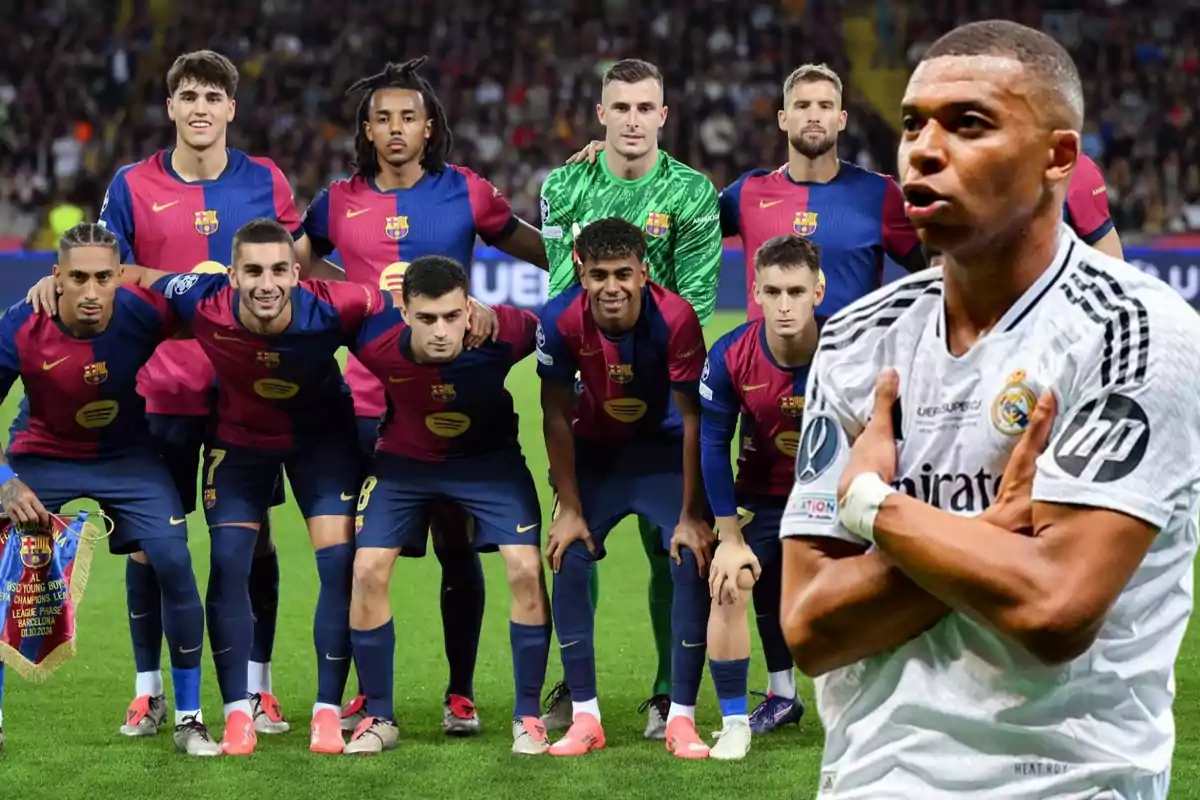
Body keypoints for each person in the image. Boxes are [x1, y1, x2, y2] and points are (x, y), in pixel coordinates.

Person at [780, 20, 1200, 798]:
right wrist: (992, 536)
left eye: (968, 123)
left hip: (1070, 782)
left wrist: (876, 508)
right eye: (912, 124)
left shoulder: (1137, 331)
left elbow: (1052, 610)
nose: (924, 149)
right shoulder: (856, 339)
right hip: (872, 780)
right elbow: (810, 629)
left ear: (1057, 158)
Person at [301, 57, 547, 736]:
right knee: (355, 555)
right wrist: (352, 297)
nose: (396, 127)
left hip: (452, 400)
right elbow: (293, 266)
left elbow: (542, 252)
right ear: (366, 130)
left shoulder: (466, 192)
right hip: (363, 400)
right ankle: (358, 692)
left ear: (429, 125)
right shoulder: (337, 200)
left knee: (455, 547)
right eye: (382, 118)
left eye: (408, 115)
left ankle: (460, 692)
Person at [114, 219, 393, 755]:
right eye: (252, 271)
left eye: (277, 270)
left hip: (322, 443)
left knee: (339, 565)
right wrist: (53, 289)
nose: (266, 283)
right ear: (232, 274)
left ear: (296, 272)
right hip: (240, 443)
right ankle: (239, 712)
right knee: (229, 562)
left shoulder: (339, 303)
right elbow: (141, 274)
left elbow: (400, 312)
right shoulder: (203, 298)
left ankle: (326, 713)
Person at [94, 50, 305, 737]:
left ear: (231, 109)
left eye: (214, 96)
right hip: (159, 390)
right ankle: (149, 691)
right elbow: (109, 269)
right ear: (172, 107)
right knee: (152, 545)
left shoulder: (265, 181)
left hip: (244, 393)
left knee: (254, 541)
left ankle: (258, 687)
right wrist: (185, 285)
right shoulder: (132, 184)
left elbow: (292, 265)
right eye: (189, 96)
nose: (201, 108)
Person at [537, 58, 723, 737]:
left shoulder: (693, 191)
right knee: (572, 536)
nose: (634, 120)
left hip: (669, 391)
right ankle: (573, 685)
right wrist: (598, 365)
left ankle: (667, 693)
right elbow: (563, 293)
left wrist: (649, 367)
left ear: (664, 115)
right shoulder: (563, 184)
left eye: (647, 108)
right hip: (592, 397)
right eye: (622, 108)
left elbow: (698, 302)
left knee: (669, 543)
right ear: (602, 114)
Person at [0, 223, 217, 756]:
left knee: (172, 558)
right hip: (43, 456)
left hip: (126, 456)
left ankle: (189, 717)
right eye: (78, 278)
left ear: (121, 276)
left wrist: (214, 281)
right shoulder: (22, 325)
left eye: (104, 277)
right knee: (0, 568)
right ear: (56, 278)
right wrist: (5, 484)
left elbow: (212, 298)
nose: (92, 292)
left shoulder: (144, 310)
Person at [341, 255, 551, 756]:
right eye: (428, 318)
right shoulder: (375, 342)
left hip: (488, 464)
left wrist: (492, 315)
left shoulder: (503, 333)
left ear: (468, 309)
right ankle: (380, 715)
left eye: (452, 317)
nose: (441, 331)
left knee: (525, 569)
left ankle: (527, 716)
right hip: (405, 463)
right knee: (367, 568)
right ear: (405, 311)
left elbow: (555, 327)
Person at [699, 234, 822, 759]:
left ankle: (872, 707)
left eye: (796, 290)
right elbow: (711, 444)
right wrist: (727, 535)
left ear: (818, 290)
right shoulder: (732, 355)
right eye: (772, 291)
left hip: (833, 495)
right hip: (761, 496)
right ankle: (739, 719)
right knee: (731, 581)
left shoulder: (849, 347)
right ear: (755, 292)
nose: (785, 304)